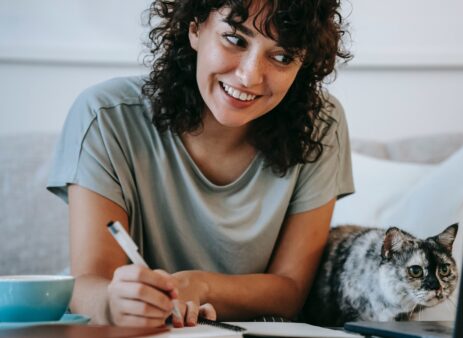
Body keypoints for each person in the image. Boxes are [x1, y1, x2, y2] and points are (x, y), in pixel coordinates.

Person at [47, 0, 353, 328]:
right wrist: (114, 303)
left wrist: (201, 285)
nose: (249, 76)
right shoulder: (105, 117)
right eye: (235, 40)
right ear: (195, 27)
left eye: (281, 56)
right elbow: (89, 283)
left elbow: (291, 291)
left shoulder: (320, 124)